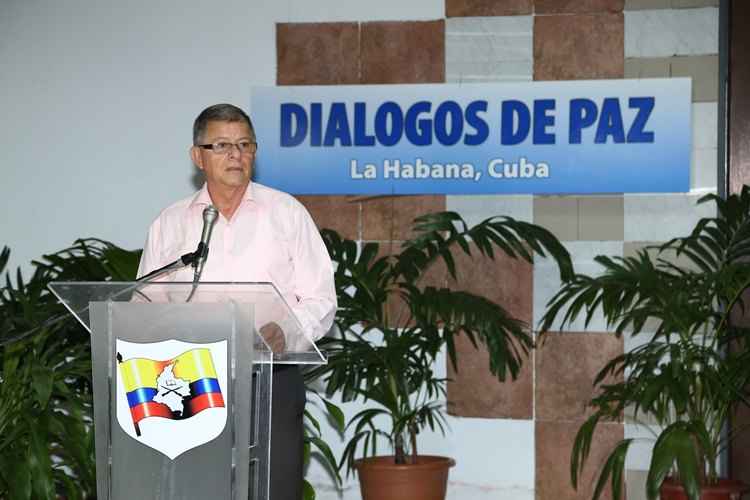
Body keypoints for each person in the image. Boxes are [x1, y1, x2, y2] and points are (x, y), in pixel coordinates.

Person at [137, 103, 337, 499]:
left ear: (255, 153)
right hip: (190, 378)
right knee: (195, 489)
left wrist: (285, 330)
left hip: (271, 376)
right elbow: (145, 303)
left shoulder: (286, 213)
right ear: (198, 156)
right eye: (222, 145)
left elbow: (321, 297)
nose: (236, 154)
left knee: (273, 489)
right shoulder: (171, 223)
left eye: (245, 144)